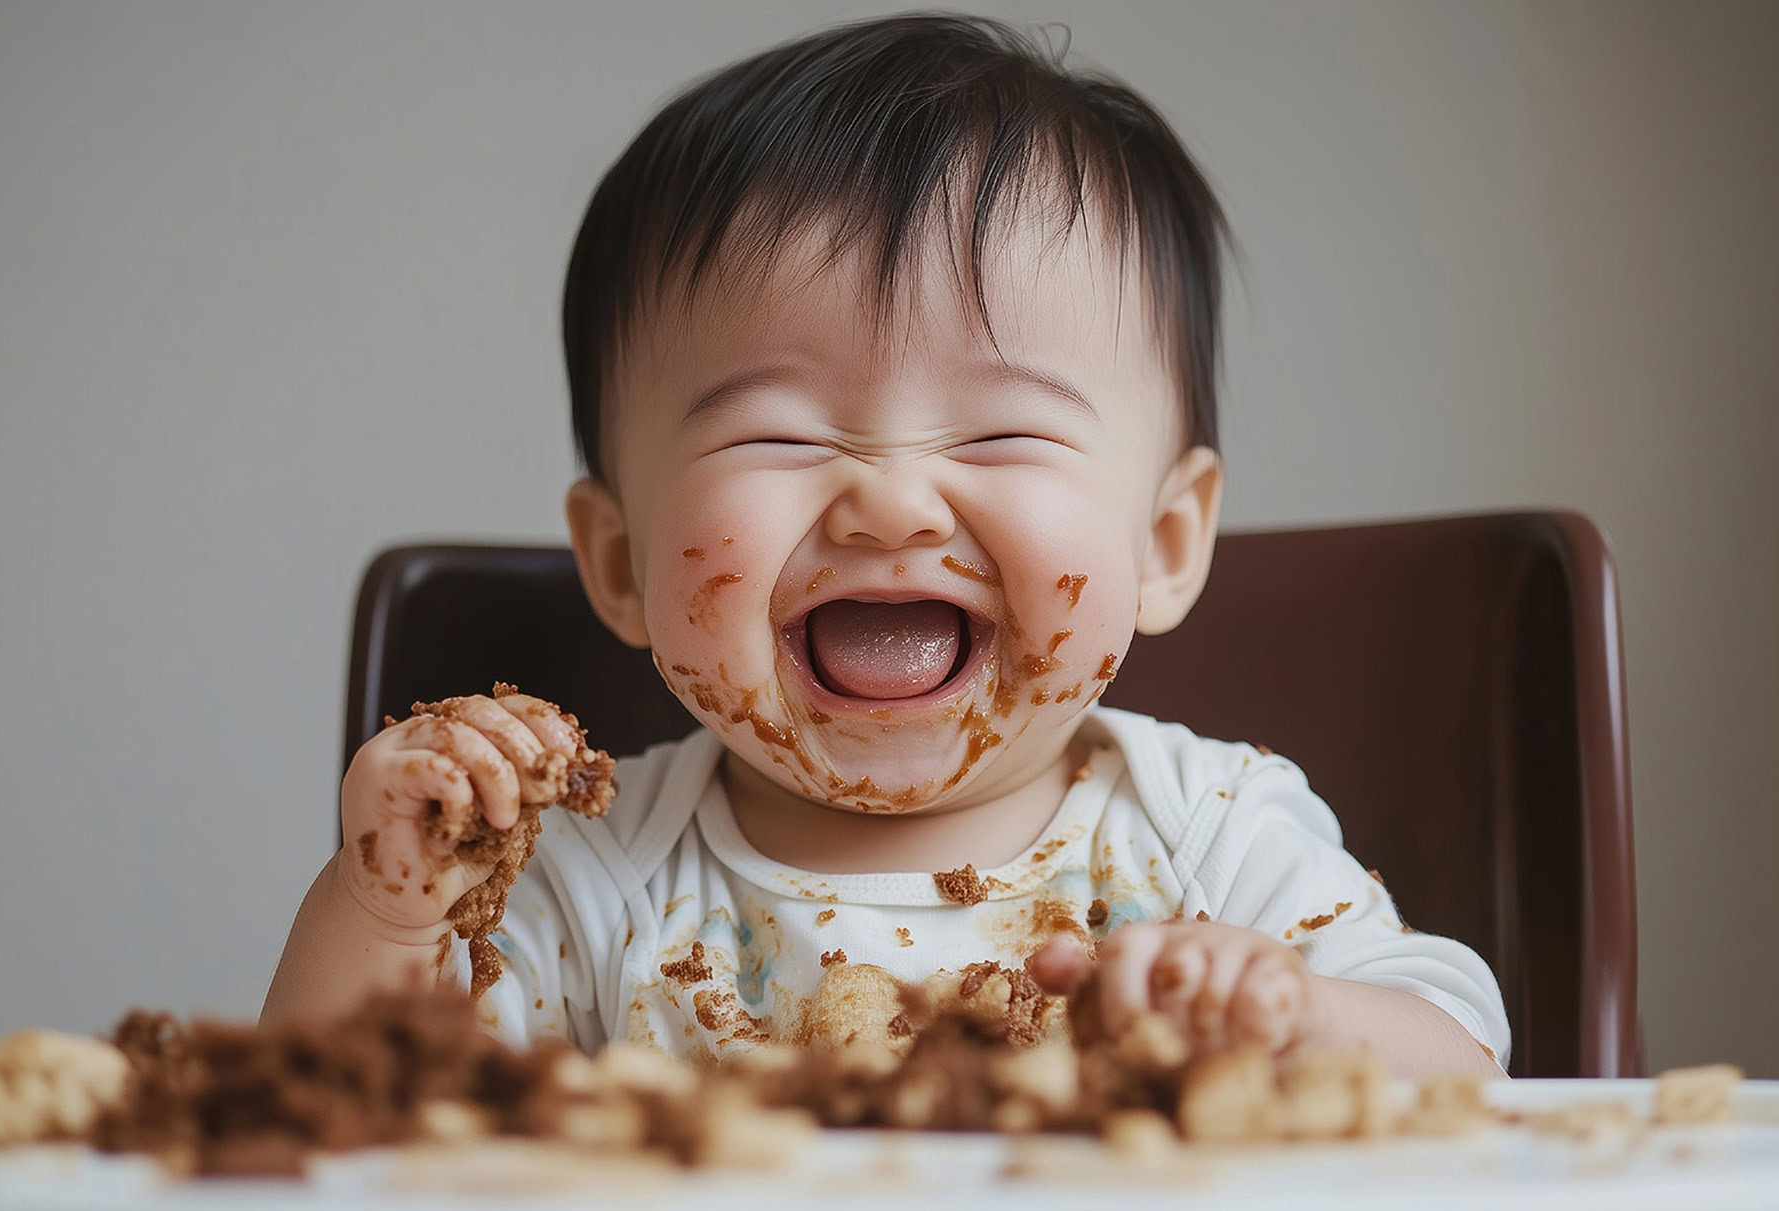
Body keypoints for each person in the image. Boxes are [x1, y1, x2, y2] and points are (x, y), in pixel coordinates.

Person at [264, 13, 1508, 1079]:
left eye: (1005, 428)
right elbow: (342, 1120)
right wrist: (383, 906)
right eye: (780, 434)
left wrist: (1290, 1020)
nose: (893, 503)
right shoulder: (593, 881)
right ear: (623, 559)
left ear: (1168, 539)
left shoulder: (1209, 834)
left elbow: (1462, 1053)